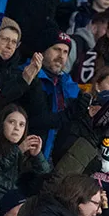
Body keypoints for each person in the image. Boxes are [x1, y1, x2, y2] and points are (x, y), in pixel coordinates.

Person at [0, 104, 50, 216]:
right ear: (2, 124)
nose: (16, 128)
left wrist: (37, 156)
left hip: (15, 215)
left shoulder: (26, 155)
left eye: (21, 125)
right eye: (11, 122)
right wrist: (17, 151)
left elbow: (46, 180)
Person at [22, 25, 81, 159]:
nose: (61, 56)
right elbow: (36, 118)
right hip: (27, 153)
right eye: (56, 49)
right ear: (42, 51)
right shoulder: (26, 75)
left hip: (55, 156)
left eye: (65, 52)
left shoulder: (68, 83)